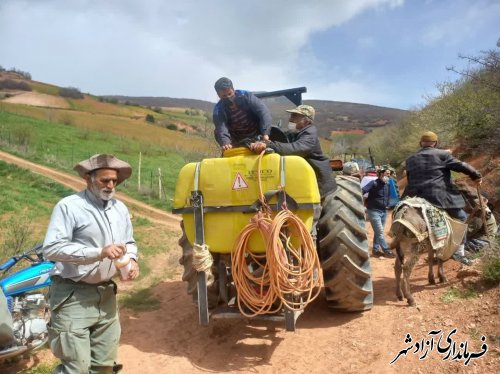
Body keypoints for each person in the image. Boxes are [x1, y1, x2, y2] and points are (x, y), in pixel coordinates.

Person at [43, 154, 139, 373]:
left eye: (114, 181)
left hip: (106, 297)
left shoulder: (120, 209)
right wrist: (98, 252)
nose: (110, 185)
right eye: (105, 180)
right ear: (88, 178)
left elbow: (130, 241)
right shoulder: (69, 207)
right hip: (73, 296)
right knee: (77, 367)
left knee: (104, 366)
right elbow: (52, 248)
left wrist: (132, 259)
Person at [402, 131, 482, 265]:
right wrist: (476, 175)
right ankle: (459, 254)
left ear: (421, 143)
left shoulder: (410, 159)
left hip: (413, 197)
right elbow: (461, 166)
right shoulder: (443, 155)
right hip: (439, 196)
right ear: (436, 143)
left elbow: (410, 179)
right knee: (462, 219)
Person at [250, 104, 336, 200]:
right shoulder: (294, 133)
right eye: (291, 115)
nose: (290, 119)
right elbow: (283, 143)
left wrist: (270, 145)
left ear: (306, 120)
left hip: (318, 182)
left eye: (294, 116)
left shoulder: (310, 134)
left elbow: (296, 148)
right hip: (301, 180)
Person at [213, 77, 272, 151]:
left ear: (233, 90)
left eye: (230, 93)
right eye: (224, 96)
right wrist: (226, 143)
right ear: (219, 95)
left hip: (258, 134)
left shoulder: (246, 96)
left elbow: (263, 112)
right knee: (217, 132)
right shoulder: (218, 110)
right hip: (238, 140)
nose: (228, 97)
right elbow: (221, 128)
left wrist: (265, 133)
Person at [362, 168, 396, 258]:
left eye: (389, 174)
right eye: (386, 174)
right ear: (380, 174)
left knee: (378, 232)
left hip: (384, 211)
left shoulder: (387, 184)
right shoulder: (373, 183)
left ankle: (376, 250)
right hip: (373, 211)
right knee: (380, 232)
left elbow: (388, 196)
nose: (388, 176)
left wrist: (387, 205)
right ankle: (387, 251)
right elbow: (362, 190)